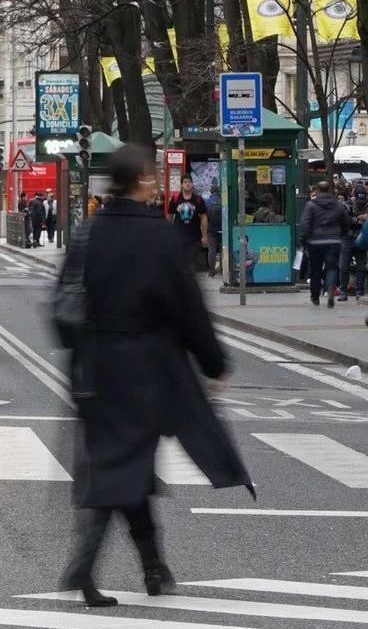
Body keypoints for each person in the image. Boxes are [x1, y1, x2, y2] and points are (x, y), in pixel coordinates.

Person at [57, 145, 253, 608]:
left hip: (97, 370)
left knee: (123, 466)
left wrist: (81, 353)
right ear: (144, 181)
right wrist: (213, 362)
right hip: (147, 369)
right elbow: (189, 309)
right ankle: (90, 566)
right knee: (123, 469)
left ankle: (153, 568)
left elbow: (61, 305)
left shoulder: (89, 233)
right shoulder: (160, 238)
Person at [300, 181, 350, 308]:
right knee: (332, 267)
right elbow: (346, 223)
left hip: (315, 241)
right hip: (334, 240)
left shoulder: (311, 205)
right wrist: (341, 234)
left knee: (316, 268)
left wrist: (305, 238)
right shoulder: (338, 206)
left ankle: (315, 296)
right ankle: (330, 292)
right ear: (329, 190)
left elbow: (305, 224)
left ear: (318, 190)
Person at [167, 176, 208, 271]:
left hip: (194, 237)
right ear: (181, 185)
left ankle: (188, 281)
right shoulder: (175, 199)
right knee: (181, 262)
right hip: (178, 236)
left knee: (191, 262)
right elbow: (169, 216)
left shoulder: (198, 199)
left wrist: (205, 236)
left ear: (192, 184)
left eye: (189, 182)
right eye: (185, 182)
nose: (187, 184)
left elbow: (203, 217)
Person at [338, 185, 368, 301]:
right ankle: (343, 291)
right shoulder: (346, 205)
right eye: (359, 200)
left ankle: (359, 291)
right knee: (343, 265)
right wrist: (357, 220)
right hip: (347, 238)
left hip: (362, 238)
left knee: (361, 266)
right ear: (354, 197)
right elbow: (344, 220)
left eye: (363, 200)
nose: (361, 203)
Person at [205, 187, 223, 278]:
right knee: (223, 249)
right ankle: (224, 269)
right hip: (223, 229)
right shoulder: (223, 200)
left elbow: (204, 217)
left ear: (210, 192)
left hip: (211, 229)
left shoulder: (207, 202)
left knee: (211, 250)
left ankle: (211, 271)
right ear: (218, 192)